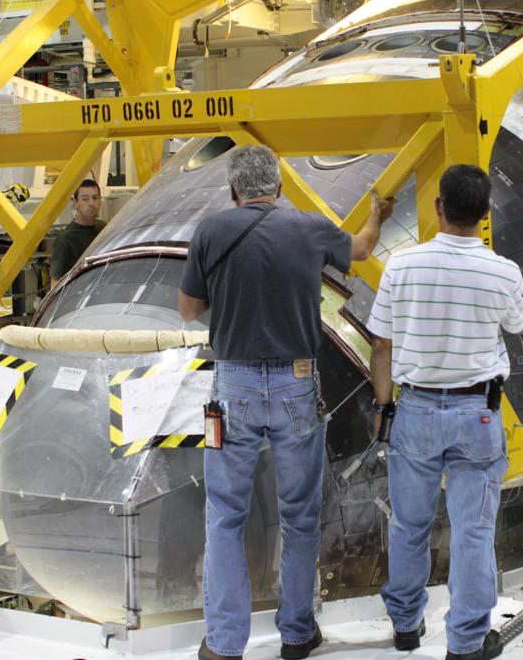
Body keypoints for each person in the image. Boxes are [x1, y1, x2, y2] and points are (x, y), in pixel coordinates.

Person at [179, 145, 394, 660]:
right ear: (277, 186)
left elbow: (188, 309)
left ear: (233, 189)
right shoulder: (309, 228)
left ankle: (224, 643)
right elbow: (362, 248)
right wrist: (377, 214)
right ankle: (297, 633)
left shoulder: (211, 231)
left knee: (225, 515)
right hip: (297, 386)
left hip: (233, 389)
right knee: (299, 514)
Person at [367, 164, 523, 660]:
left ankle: (405, 625)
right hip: (476, 414)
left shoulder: (401, 266)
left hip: (414, 410)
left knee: (408, 525)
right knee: (473, 531)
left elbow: (381, 344)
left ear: (438, 207)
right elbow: (515, 323)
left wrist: (383, 405)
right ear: (485, 213)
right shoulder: (503, 271)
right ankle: (467, 641)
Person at [50, 179, 105, 280]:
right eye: (85, 199)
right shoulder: (65, 239)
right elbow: (55, 283)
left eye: (95, 198)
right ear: (75, 203)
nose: (91, 203)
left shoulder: (104, 229)